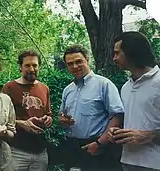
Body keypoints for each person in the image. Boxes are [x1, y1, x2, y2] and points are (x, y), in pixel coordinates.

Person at [59, 44, 124, 171]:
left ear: (87, 59)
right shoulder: (68, 90)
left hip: (96, 147)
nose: (75, 66)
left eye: (78, 61)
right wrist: (62, 119)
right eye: (70, 64)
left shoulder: (104, 84)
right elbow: (61, 115)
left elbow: (118, 116)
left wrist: (100, 144)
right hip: (72, 147)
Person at [109, 31, 160, 171]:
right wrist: (117, 132)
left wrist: (149, 136)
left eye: (117, 53)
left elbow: (145, 131)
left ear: (132, 52)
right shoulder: (126, 87)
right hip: (127, 162)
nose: (114, 58)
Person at [2, 50, 53, 171]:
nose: (31, 69)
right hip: (16, 151)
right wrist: (21, 123)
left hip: (40, 152)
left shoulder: (44, 88)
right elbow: (1, 118)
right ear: (20, 67)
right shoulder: (9, 88)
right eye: (27, 65)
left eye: (35, 65)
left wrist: (48, 119)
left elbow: (48, 113)